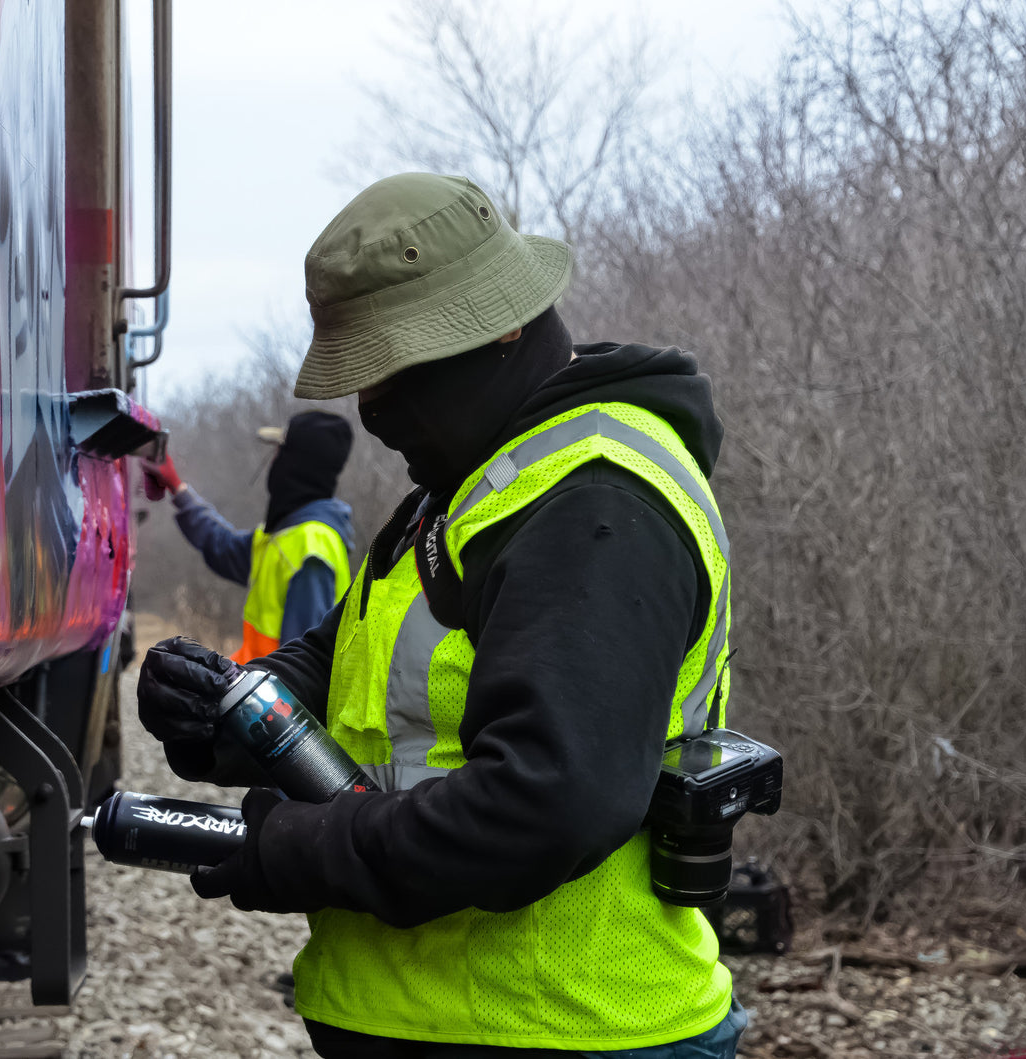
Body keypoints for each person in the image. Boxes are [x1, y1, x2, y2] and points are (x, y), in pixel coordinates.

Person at [135, 173, 749, 1057]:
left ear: (502, 325)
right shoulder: (466, 487)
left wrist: (295, 850)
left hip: (563, 1030)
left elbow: (541, 806)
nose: (372, 411)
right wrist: (224, 705)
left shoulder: (595, 503)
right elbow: (345, 665)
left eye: (396, 370)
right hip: (447, 1019)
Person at [140, 411, 354, 662]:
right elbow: (224, 546)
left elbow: (302, 666)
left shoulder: (311, 549)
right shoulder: (283, 535)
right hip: (257, 678)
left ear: (298, 465)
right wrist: (178, 489)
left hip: (272, 687)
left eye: (280, 452)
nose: (273, 462)